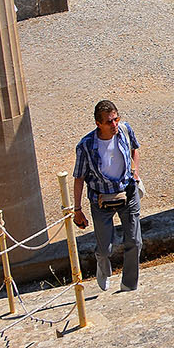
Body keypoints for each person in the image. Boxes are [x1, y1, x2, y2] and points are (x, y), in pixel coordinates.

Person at [71, 99, 142, 292]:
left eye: (116, 119)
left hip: (128, 192)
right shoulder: (85, 146)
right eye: (109, 122)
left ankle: (129, 284)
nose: (114, 125)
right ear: (98, 124)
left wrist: (135, 171)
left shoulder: (125, 130)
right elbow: (79, 178)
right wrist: (77, 210)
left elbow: (135, 149)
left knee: (135, 242)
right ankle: (102, 268)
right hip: (101, 199)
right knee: (104, 249)